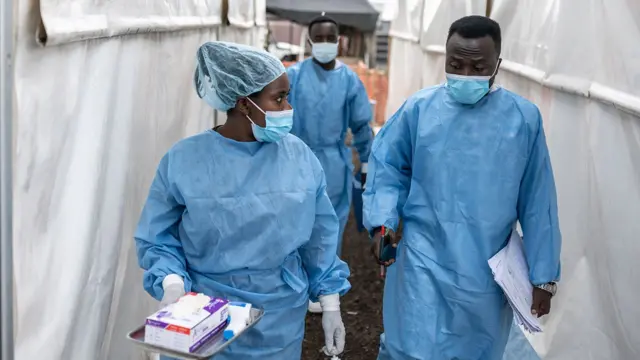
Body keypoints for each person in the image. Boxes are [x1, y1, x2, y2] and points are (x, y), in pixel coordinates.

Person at [135, 41, 350, 359]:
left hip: (279, 318)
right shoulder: (184, 160)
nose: (288, 108)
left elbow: (320, 237)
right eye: (278, 99)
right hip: (204, 315)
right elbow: (157, 238)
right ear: (244, 104)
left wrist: (330, 302)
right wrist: (171, 284)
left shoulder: (299, 157)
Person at [363, 16, 562, 360]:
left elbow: (538, 200)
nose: (465, 74)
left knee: (476, 348)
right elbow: (388, 168)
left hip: (484, 268)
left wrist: (543, 277)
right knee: (411, 345)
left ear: (497, 65)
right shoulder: (419, 110)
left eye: (477, 66)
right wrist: (384, 222)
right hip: (421, 259)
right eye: (456, 65)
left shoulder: (522, 119)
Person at [286, 14, 373, 313]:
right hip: (296, 158)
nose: (324, 44)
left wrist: (366, 162)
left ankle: (324, 288)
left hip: (334, 162)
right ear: (310, 42)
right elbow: (280, 116)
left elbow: (362, 125)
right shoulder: (294, 76)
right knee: (295, 221)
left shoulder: (349, 79)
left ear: (339, 41)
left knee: (329, 225)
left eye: (329, 38)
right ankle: (295, 281)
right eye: (318, 38)